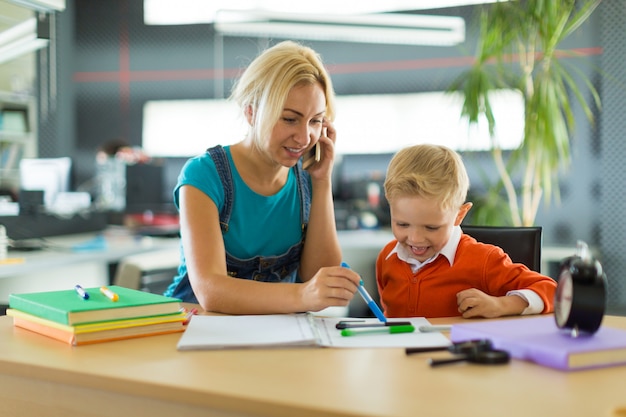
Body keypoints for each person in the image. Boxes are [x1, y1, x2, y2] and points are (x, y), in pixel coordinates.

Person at [164, 41, 360, 314]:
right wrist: (303, 294)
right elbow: (211, 291)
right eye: (290, 119)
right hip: (200, 331)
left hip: (277, 334)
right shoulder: (203, 175)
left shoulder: (307, 178)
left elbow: (320, 277)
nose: (304, 138)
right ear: (251, 112)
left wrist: (322, 180)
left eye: (315, 121)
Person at [376, 144, 557, 319]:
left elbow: (553, 291)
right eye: (402, 224)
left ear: (459, 215)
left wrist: (500, 305)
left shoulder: (484, 261)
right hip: (398, 351)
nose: (415, 238)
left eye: (431, 227)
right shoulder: (386, 258)